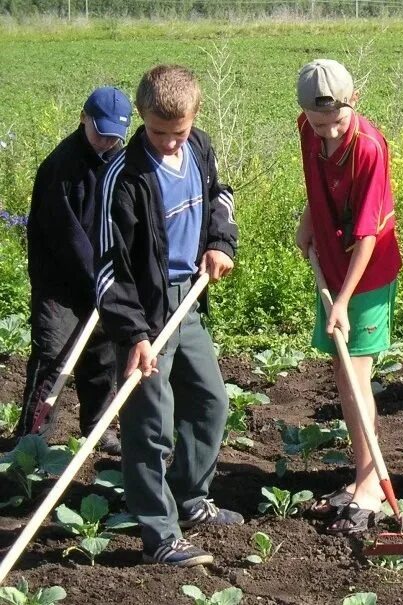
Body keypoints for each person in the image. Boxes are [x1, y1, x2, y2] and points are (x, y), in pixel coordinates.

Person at [95, 64, 241, 566]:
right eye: (159, 133)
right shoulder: (125, 176)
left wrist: (220, 243)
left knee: (210, 403)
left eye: (177, 133)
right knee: (151, 425)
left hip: (189, 299)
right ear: (142, 117)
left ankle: (189, 497)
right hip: (146, 312)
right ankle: (159, 534)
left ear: (193, 119)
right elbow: (110, 268)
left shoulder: (198, 148)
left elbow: (221, 196)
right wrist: (134, 333)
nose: (169, 144)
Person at [294, 59, 402, 534]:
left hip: (367, 273)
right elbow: (317, 186)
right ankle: (362, 476)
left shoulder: (371, 148)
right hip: (332, 263)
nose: (330, 134)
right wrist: (306, 221)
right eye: (320, 125)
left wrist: (342, 301)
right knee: (341, 369)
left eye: (337, 122)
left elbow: (369, 236)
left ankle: (371, 487)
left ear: (353, 102)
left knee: (357, 374)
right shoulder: (308, 128)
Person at [18, 87, 132, 455]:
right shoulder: (61, 169)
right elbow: (70, 240)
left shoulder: (122, 162)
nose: (106, 142)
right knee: (54, 355)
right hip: (62, 283)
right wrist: (98, 282)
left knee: (101, 355)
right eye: (100, 132)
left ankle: (97, 429)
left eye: (115, 136)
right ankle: (32, 438)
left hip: (102, 279)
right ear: (84, 118)